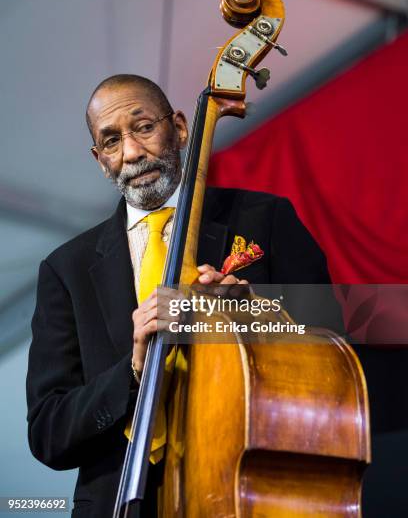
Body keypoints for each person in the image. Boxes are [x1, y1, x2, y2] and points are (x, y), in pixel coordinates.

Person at [26, 74, 336, 518]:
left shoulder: (263, 217)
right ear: (99, 159)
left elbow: (338, 340)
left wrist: (258, 314)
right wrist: (132, 371)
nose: (132, 152)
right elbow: (48, 432)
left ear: (181, 127)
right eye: (111, 141)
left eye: (144, 127)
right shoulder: (65, 269)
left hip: (248, 489)